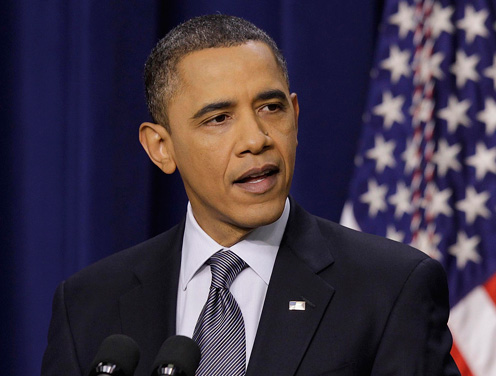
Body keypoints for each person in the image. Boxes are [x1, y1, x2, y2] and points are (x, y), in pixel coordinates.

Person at [42, 15, 459, 376]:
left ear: (295, 117)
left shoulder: (391, 287)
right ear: (161, 148)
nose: (256, 139)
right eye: (219, 118)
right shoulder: (86, 306)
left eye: (271, 108)